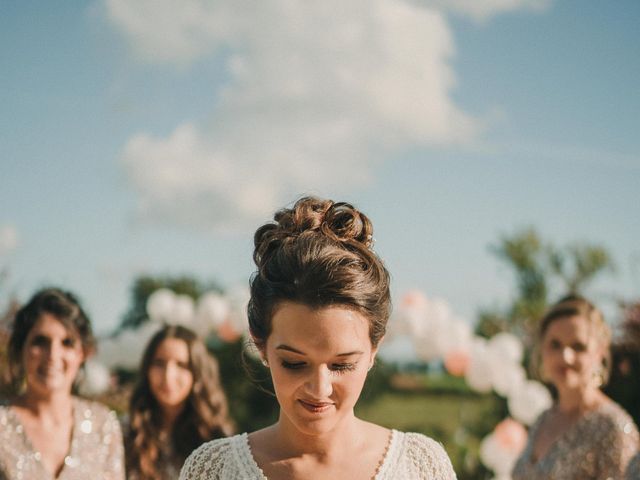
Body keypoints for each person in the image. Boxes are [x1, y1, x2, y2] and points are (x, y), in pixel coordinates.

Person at [180, 197, 456, 480]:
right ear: (261, 346)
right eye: (294, 363)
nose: (320, 389)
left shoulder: (420, 465)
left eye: (342, 365)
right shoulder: (212, 470)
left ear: (374, 349)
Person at [0, 287, 125, 479]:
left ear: (82, 353)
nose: (53, 355)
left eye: (67, 343)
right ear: (21, 348)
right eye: (40, 341)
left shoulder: (103, 425)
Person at [512, 294, 639, 480]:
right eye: (555, 345)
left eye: (578, 346)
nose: (565, 356)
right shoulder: (543, 419)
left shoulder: (613, 428)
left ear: (599, 353)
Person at [124, 324, 233, 480]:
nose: (168, 375)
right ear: (147, 369)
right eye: (159, 363)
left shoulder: (217, 437)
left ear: (197, 374)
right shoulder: (125, 431)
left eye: (181, 365)